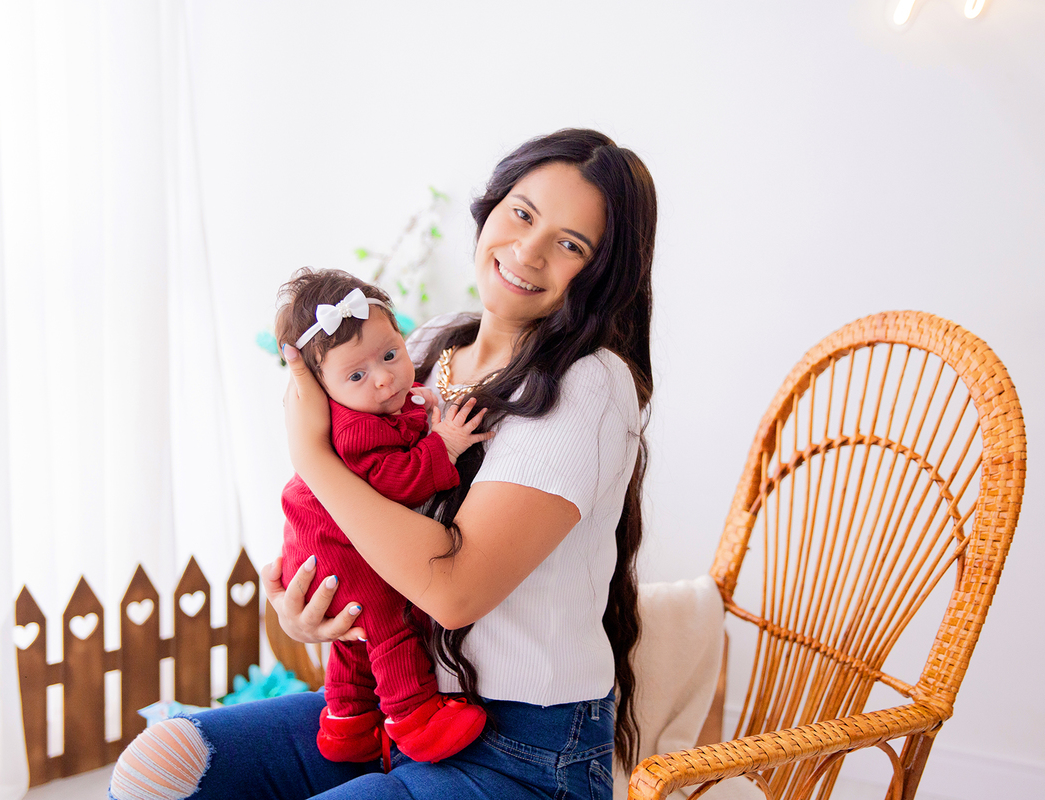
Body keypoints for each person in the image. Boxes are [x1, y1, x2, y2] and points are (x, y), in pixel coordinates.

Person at [108, 128, 657, 800]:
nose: (529, 250)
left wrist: (310, 455)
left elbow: (454, 590)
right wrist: (309, 612)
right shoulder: (424, 346)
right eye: (522, 212)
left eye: (571, 244)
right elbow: (363, 534)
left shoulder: (590, 384)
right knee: (161, 763)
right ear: (490, 210)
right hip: (405, 704)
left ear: (600, 273)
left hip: (525, 752)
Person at [273, 270, 492, 765]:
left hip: (325, 546)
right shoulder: (351, 430)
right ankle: (415, 717)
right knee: (387, 623)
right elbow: (395, 480)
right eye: (356, 375)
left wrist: (420, 410)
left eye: (391, 354)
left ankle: (348, 722)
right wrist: (446, 444)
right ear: (321, 389)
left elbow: (401, 416)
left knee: (354, 643)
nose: (384, 377)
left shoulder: (378, 404)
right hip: (335, 550)